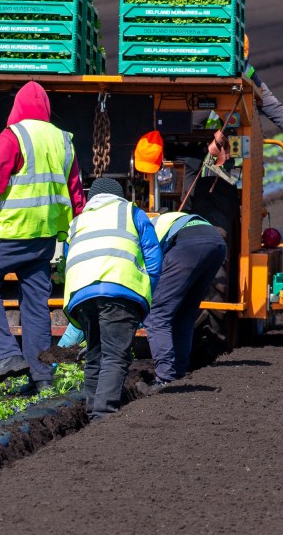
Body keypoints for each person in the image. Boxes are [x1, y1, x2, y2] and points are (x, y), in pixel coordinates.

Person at [0, 81, 86, 391]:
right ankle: (42, 378)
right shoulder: (64, 140)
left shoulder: (14, 137)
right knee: (35, 303)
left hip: (13, 231)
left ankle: (6, 355)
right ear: (46, 109)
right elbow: (76, 194)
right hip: (45, 236)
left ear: (17, 108)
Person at [62, 178, 162, 422]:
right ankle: (103, 415)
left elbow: (68, 259)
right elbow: (154, 257)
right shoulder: (131, 212)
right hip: (120, 292)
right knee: (115, 355)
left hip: (82, 296)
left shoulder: (77, 222)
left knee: (95, 353)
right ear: (120, 196)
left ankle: (93, 411)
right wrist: (146, 295)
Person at [138, 211, 227, 394]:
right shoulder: (153, 222)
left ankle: (164, 379)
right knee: (184, 314)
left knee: (156, 314)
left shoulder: (138, 234)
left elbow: (150, 269)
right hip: (216, 242)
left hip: (189, 245)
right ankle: (177, 373)